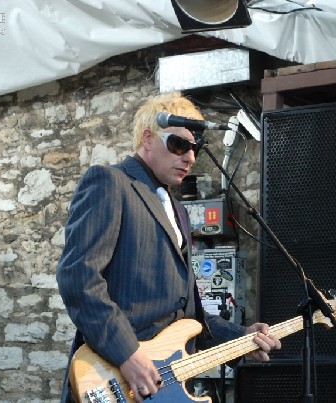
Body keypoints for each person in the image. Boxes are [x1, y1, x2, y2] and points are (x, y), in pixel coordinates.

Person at [56, 92, 281, 402]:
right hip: (118, 377)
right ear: (148, 139)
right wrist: (127, 355)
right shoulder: (111, 183)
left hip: (162, 386)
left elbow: (188, 319)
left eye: (195, 148)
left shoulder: (178, 212)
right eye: (179, 145)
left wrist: (242, 337)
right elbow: (78, 279)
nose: (189, 157)